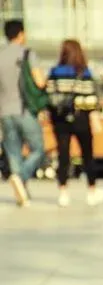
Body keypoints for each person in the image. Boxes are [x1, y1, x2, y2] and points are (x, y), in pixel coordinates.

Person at [46, 40, 103, 208]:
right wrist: (94, 116)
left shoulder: (55, 71)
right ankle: (92, 191)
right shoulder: (84, 72)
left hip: (60, 119)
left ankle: (63, 192)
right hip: (81, 118)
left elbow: (49, 96)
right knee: (87, 154)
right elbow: (90, 99)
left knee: (63, 155)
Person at [0, 20, 46, 207]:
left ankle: (22, 191)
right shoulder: (27, 54)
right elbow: (39, 81)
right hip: (23, 109)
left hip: (4, 111)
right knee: (38, 149)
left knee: (13, 152)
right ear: (20, 34)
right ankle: (21, 176)